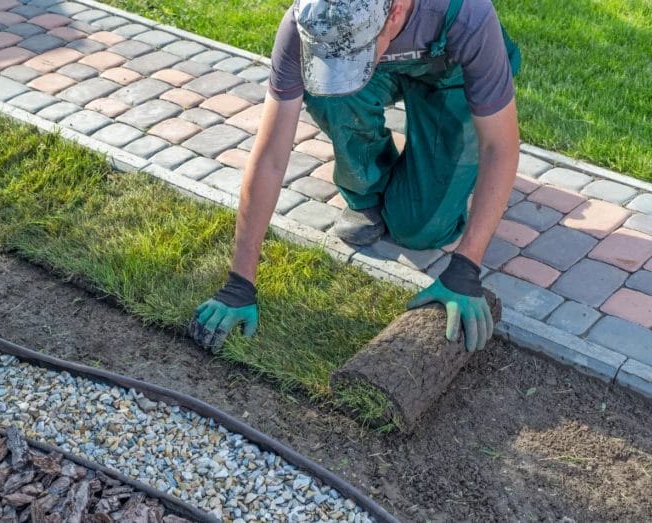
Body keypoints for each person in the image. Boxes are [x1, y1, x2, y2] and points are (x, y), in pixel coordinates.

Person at [189, 0, 521, 352]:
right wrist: (240, 283)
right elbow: (270, 155)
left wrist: (466, 267)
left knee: (420, 229)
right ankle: (367, 192)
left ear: (395, 12)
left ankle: (428, 166)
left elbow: (499, 148)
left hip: (450, 77)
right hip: (378, 70)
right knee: (330, 94)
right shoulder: (310, 23)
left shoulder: (467, 14)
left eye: (349, 57)